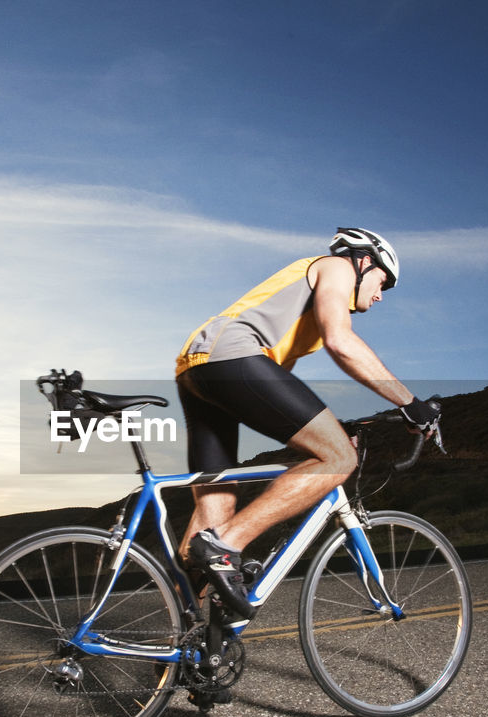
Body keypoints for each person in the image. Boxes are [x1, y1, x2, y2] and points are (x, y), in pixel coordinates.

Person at [175, 227, 442, 624]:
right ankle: (226, 545)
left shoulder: (303, 315)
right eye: (382, 281)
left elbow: (274, 388)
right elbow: (342, 342)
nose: (380, 294)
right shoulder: (336, 267)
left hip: (197, 368)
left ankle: (193, 653)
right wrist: (411, 404)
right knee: (338, 458)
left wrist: (328, 427)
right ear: (364, 261)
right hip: (232, 356)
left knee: (218, 507)